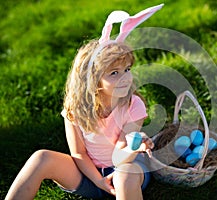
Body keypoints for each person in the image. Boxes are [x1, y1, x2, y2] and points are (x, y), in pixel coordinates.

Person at [5, 4, 164, 200]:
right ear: (92, 80)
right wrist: (98, 181)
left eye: (127, 69)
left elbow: (120, 156)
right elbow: (78, 153)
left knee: (124, 176)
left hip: (125, 168)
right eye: (114, 73)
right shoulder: (74, 109)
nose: (125, 78)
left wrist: (134, 147)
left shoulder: (132, 105)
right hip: (88, 174)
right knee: (41, 158)